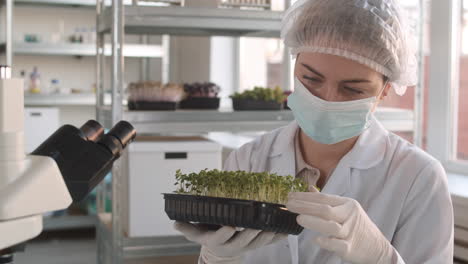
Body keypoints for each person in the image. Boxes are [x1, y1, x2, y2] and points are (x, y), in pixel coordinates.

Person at [174, 0, 454, 263]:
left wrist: (381, 258)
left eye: (352, 89)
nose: (327, 99)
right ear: (295, 62)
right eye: (310, 79)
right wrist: (217, 258)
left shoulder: (419, 178)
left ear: (384, 91)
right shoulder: (248, 159)